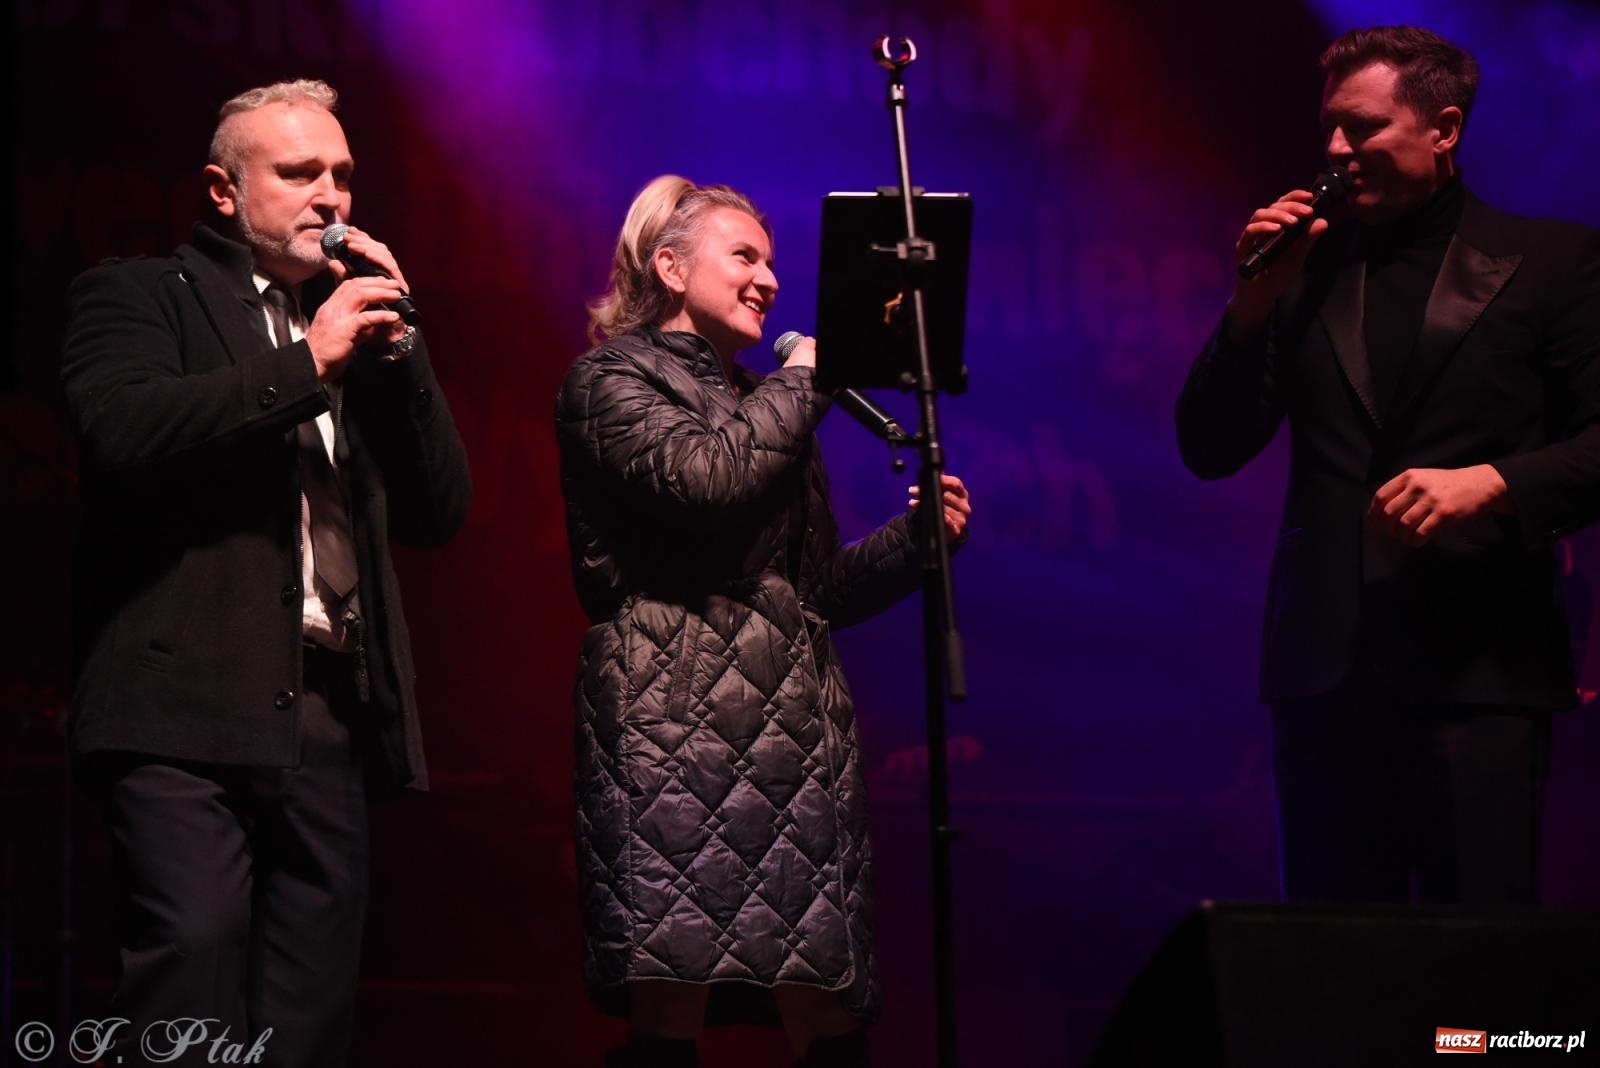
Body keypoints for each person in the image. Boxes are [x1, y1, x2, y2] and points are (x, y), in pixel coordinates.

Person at [60, 80, 470, 1065]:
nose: (331, 197)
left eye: (342, 176)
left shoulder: (356, 334)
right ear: (223, 191)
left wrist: (402, 352)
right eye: (299, 173)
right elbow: (121, 431)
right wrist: (307, 365)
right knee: (189, 975)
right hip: (179, 703)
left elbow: (438, 513)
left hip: (322, 709)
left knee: (309, 1012)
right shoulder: (141, 292)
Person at [1176, 25, 1600, 905]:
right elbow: (1209, 449)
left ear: (1443, 130)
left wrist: (1495, 482)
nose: (1335, 147)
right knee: (1332, 972)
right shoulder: (1306, 269)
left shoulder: (1554, 262)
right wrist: (1251, 302)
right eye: (1331, 126)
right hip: (1328, 673)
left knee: (1476, 980)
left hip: (1481, 672)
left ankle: (1497, 1057)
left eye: (1363, 128)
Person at [555, 175, 971, 1067]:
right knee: (672, 993)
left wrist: (915, 541)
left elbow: (819, 590)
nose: (770, 281)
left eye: (772, 262)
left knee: (824, 997)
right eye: (744, 256)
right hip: (671, 733)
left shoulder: (769, 406)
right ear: (670, 267)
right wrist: (805, 381)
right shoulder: (609, 379)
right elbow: (706, 483)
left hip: (795, 739)